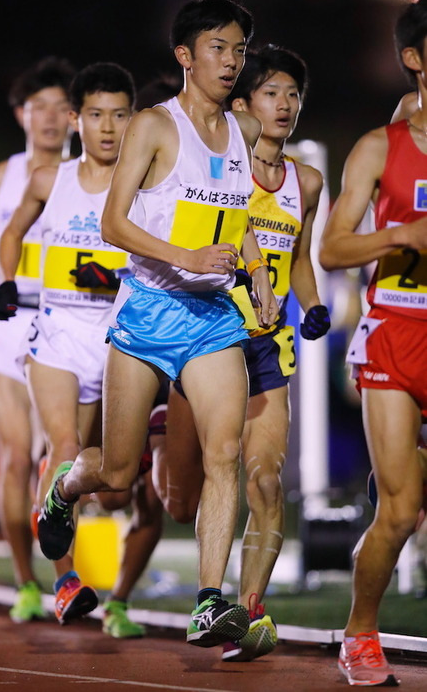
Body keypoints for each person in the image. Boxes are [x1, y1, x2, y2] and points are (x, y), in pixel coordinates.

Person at [36, 0, 279, 649]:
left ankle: (209, 600)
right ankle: (63, 489)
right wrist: (185, 257)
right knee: (117, 476)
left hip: (210, 319)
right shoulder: (152, 126)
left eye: (239, 50)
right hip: (146, 310)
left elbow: (239, 217)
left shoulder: (246, 132)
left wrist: (255, 273)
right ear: (185, 56)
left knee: (222, 454)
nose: (232, 62)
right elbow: (115, 224)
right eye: (219, 49)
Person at [153, 44, 330, 662]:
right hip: (203, 336)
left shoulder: (306, 181)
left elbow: (299, 261)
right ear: (243, 106)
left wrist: (310, 306)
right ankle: (158, 428)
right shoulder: (219, 169)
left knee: (266, 480)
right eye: (271, 94)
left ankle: (250, 611)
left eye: (293, 95)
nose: (284, 106)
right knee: (181, 501)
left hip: (266, 347)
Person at [0, 62, 163, 635]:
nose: (108, 128)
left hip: (118, 341)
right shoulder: (50, 180)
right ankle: (65, 583)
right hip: (57, 335)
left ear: (132, 120)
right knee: (61, 444)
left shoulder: (144, 186)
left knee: (109, 484)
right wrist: (7, 278)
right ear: (75, 120)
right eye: (95, 115)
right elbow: (12, 232)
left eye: (119, 115)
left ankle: (94, 562)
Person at [319, 0, 427, 686]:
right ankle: (360, 634)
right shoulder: (377, 148)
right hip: (394, 331)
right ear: (415, 60)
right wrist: (400, 236)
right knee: (400, 511)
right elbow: (331, 248)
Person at [0, 56, 74, 623]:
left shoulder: (90, 175)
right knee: (16, 457)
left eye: (61, 107)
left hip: (67, 325)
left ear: (76, 117)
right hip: (4, 327)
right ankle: (28, 582)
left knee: (59, 459)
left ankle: (63, 577)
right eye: (39, 107)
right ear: (20, 114)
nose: (50, 118)